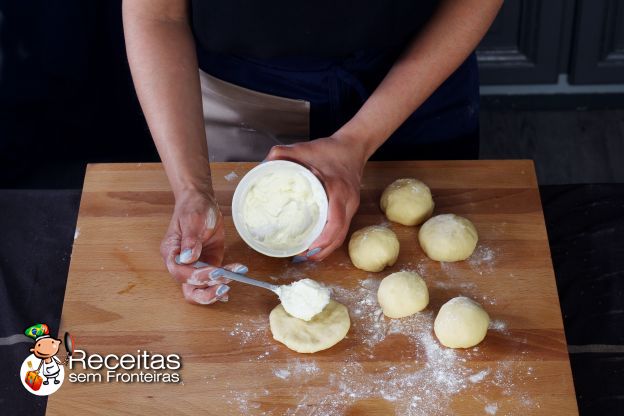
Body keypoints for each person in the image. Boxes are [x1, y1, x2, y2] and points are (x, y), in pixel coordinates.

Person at [122, 0, 503, 305]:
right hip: (244, 97)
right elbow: (158, 15)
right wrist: (192, 190)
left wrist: (357, 141)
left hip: (419, 77)